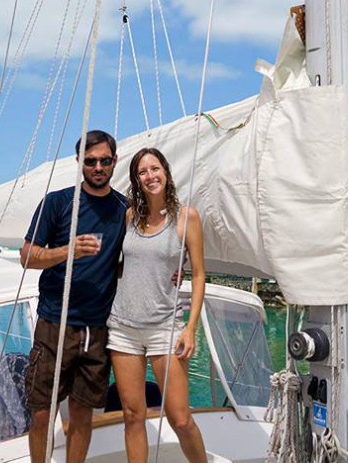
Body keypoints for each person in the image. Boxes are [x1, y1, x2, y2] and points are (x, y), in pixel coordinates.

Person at [20, 130, 127, 463]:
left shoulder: (124, 209)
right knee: (41, 413)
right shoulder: (57, 203)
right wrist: (67, 251)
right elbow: (27, 256)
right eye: (90, 161)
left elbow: (133, 256)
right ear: (79, 162)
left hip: (97, 329)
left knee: (83, 413)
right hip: (55, 323)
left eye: (104, 161)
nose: (97, 167)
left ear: (114, 162)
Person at [107, 147, 208, 463]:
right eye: (142, 172)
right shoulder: (128, 217)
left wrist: (190, 329)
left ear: (165, 171)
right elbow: (121, 265)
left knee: (180, 418)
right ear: (136, 180)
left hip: (165, 328)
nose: (150, 176)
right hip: (122, 328)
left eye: (155, 168)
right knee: (132, 415)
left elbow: (201, 274)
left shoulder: (186, 217)